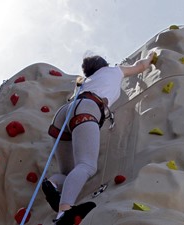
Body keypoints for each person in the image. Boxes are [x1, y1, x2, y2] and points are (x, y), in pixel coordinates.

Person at [43, 52, 155, 224]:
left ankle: (51, 184)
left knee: (69, 174)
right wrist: (149, 57)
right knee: (86, 165)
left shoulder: (86, 81)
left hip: (64, 113)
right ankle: (64, 213)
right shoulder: (114, 71)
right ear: (104, 64)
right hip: (88, 108)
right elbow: (140, 67)